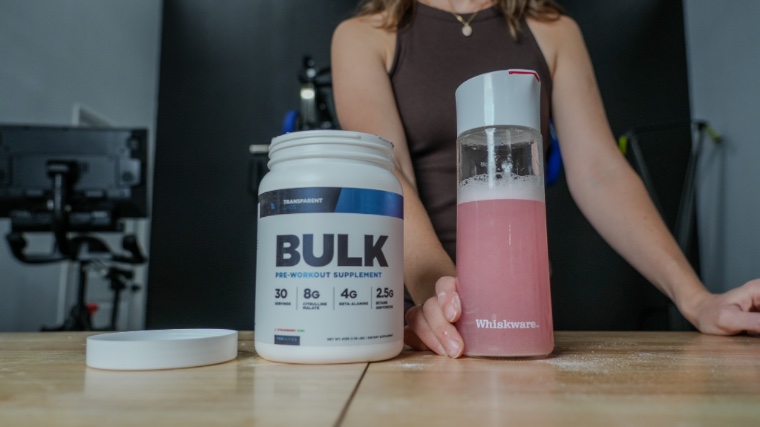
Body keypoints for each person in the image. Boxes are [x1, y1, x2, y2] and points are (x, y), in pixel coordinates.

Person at [330, 0, 760, 358]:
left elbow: (600, 171)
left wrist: (696, 299)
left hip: (518, 314)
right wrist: (447, 302)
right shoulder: (365, 34)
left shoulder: (552, 30)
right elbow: (388, 173)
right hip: (423, 318)